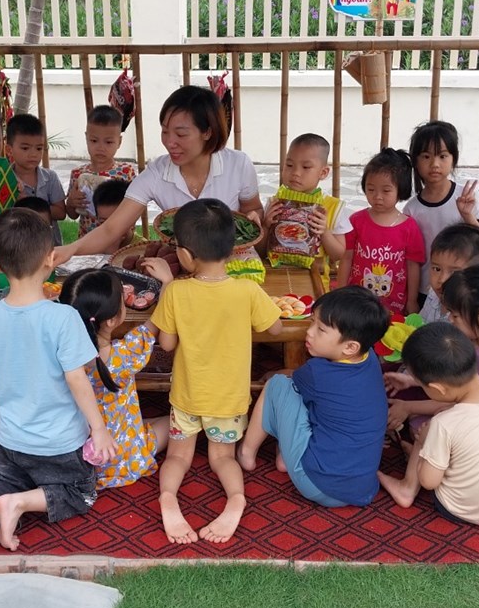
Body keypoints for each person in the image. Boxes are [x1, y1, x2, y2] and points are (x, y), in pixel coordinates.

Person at [0, 208, 116, 554]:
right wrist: (99, 429)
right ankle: (18, 504)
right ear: (50, 258)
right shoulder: (63, 317)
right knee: (82, 492)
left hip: (10, 440)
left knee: (4, 479)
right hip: (59, 444)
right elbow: (77, 377)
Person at [144, 199, 282, 545]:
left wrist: (166, 287)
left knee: (178, 456)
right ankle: (236, 499)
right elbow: (276, 328)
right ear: (233, 249)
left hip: (187, 395)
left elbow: (167, 344)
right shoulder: (247, 290)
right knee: (223, 457)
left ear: (185, 255)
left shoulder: (176, 291)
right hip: (228, 399)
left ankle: (167, 497)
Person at [55, 86, 263, 262]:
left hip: (235, 267)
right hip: (183, 267)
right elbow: (112, 229)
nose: (170, 142)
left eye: (180, 134)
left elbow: (253, 210)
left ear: (207, 132)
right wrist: (69, 250)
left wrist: (254, 217)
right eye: (165, 131)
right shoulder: (157, 173)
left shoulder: (238, 164)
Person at [237, 286, 390, 508]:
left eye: (321, 329)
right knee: (309, 401)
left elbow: (290, 380)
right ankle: (286, 456)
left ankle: (246, 453)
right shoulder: (369, 358)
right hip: (361, 488)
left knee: (277, 385)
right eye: (311, 322)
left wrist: (273, 373)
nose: (309, 332)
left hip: (315, 483)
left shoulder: (317, 372)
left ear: (350, 347)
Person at [377, 322, 479, 526]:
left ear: (437, 388)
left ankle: (405, 488)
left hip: (459, 509)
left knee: (428, 432)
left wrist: (426, 444)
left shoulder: (443, 424)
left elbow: (429, 481)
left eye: (422, 386)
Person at [60, 268, 171, 489]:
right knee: (174, 422)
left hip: (79, 454)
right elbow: (156, 322)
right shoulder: (124, 353)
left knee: (147, 421)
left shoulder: (62, 355)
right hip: (122, 454)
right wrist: (167, 282)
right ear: (111, 320)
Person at [386, 263, 479, 433]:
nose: (450, 319)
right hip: (468, 402)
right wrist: (412, 380)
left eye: (455, 315)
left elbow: (459, 404)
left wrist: (408, 408)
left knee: (422, 429)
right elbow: (453, 374)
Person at [403, 121, 479, 302]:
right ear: (415, 161)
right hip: (425, 289)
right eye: (426, 156)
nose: (435, 164)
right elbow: (411, 259)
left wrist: (467, 215)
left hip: (462, 288)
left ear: (453, 159)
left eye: (442, 156)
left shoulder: (467, 196)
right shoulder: (411, 209)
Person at [340, 147, 425, 315]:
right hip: (357, 302)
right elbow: (346, 257)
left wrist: (412, 301)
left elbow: (413, 266)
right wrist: (339, 292)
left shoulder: (409, 227)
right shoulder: (356, 221)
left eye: (386, 191)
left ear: (401, 190)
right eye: (371, 189)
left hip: (394, 305)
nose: (377, 196)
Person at [263, 133, 351, 263]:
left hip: (316, 273)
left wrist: (324, 232)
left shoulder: (333, 207)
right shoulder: (275, 203)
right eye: (289, 165)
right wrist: (266, 226)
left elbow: (338, 255)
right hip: (277, 272)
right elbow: (260, 251)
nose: (295, 173)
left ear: (323, 173)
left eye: (306, 167)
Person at [65, 104, 138, 237]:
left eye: (108, 142)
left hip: (119, 240)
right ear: (86, 138)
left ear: (119, 141)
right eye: (94, 141)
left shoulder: (126, 172)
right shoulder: (78, 174)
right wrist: (70, 203)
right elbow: (73, 215)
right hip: (87, 241)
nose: (100, 147)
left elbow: (135, 209)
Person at [418, 223, 479, 323]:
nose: (442, 279)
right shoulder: (433, 295)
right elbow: (421, 323)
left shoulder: (472, 315)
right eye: (437, 269)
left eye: (454, 272)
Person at [5, 113, 66, 245]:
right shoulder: (5, 181)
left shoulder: (50, 178)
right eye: (25, 148)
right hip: (18, 246)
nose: (33, 154)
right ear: (9, 150)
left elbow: (61, 213)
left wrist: (28, 204)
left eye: (39, 148)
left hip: (51, 247)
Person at [90, 179, 146, 252]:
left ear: (132, 221)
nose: (110, 228)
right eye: (103, 222)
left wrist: (111, 251)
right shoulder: (92, 244)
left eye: (117, 222)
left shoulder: (144, 249)